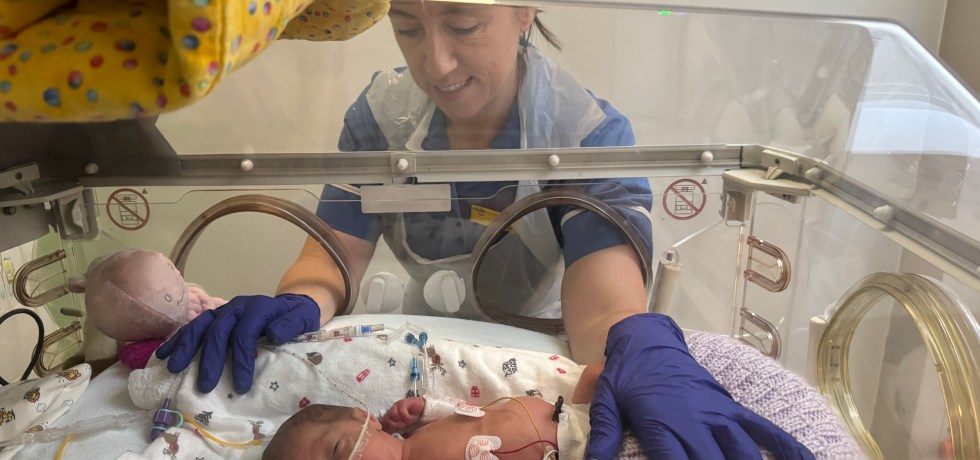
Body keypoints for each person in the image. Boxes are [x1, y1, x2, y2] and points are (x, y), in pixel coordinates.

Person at [156, 2, 814, 458]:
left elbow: (605, 306)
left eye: (464, 25)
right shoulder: (381, 119)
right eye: (407, 28)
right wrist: (300, 299)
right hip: (417, 347)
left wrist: (642, 344)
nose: (435, 63)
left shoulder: (584, 136)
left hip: (538, 346)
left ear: (524, 11)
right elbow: (331, 259)